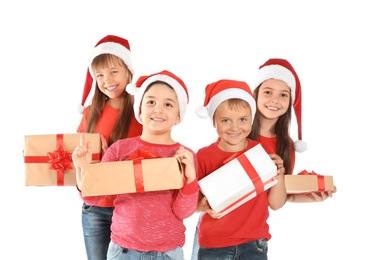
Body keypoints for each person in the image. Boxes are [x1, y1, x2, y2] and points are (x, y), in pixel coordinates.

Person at [73, 70, 199, 260]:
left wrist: (190, 179)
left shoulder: (184, 156)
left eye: (168, 104)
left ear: (178, 116)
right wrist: (82, 170)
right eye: (150, 102)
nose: (158, 109)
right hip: (123, 252)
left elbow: (184, 211)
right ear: (139, 111)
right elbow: (93, 198)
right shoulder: (119, 149)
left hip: (167, 253)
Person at [193, 79, 286, 259]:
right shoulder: (203, 156)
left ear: (251, 119)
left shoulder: (262, 152)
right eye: (226, 120)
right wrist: (201, 206)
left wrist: (279, 175)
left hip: (254, 244)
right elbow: (190, 205)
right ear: (214, 122)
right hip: (214, 245)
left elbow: (276, 204)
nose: (235, 127)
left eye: (242, 119)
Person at [76, 35, 143, 260]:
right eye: (100, 75)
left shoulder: (141, 112)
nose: (107, 80)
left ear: (128, 71)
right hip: (94, 208)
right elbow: (75, 156)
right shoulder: (90, 113)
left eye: (114, 71)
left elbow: (149, 157)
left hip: (129, 207)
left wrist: (111, 159)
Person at [249, 58, 336, 202]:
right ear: (256, 95)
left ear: (290, 101)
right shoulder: (238, 133)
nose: (275, 100)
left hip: (256, 223)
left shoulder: (286, 145)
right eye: (268, 92)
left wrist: (310, 197)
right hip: (218, 221)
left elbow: (279, 196)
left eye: (283, 95)